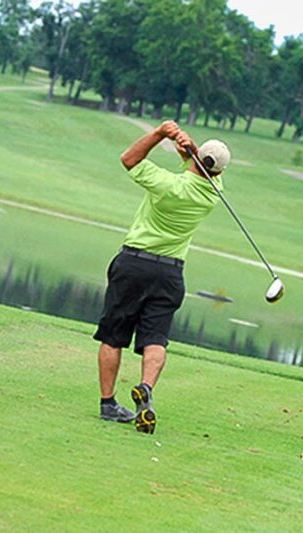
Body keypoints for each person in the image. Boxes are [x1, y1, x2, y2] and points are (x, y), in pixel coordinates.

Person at [93, 120, 231, 433]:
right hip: (170, 273)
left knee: (113, 335)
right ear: (219, 171)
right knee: (155, 338)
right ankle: (146, 387)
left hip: (134, 263)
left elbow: (129, 159)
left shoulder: (167, 184)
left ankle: (108, 405)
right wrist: (189, 153)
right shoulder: (213, 194)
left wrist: (159, 134)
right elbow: (202, 170)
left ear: (197, 159)